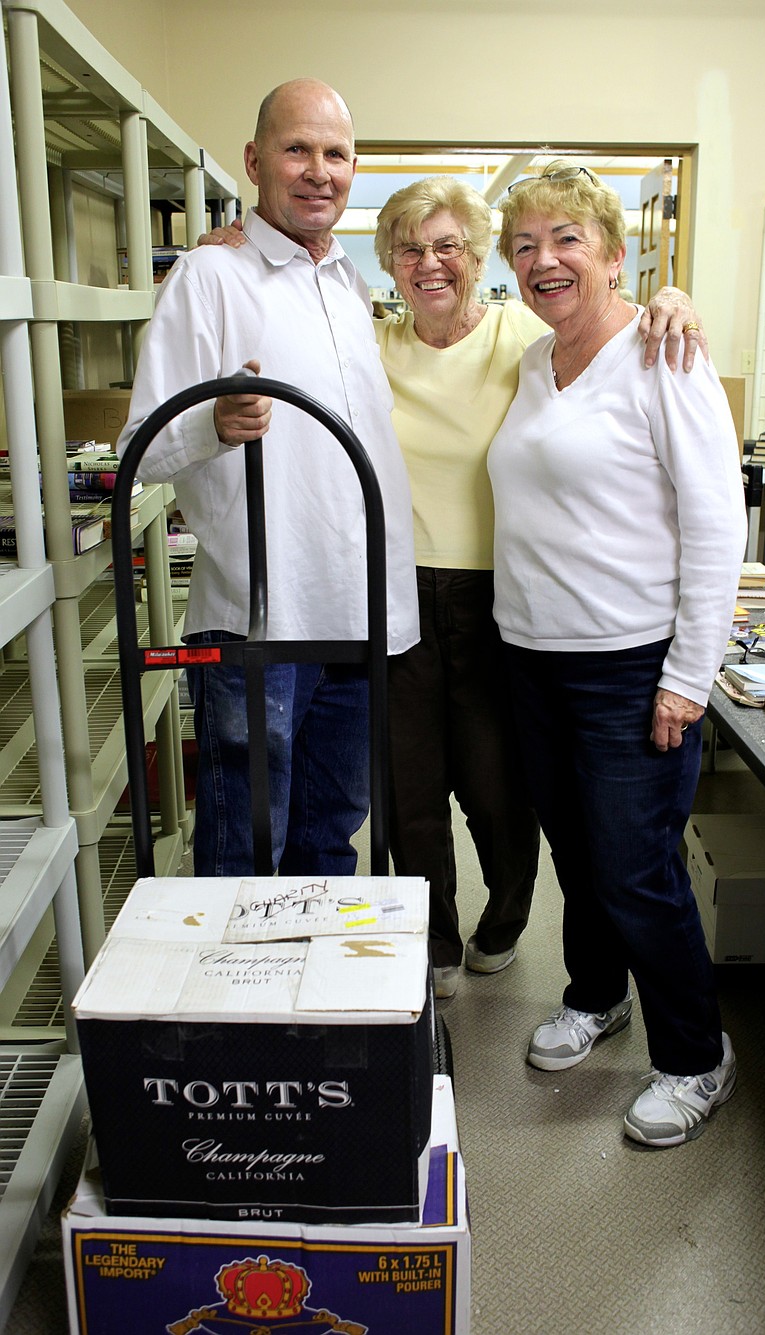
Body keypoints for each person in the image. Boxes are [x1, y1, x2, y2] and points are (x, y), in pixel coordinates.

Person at [200, 174, 708, 998]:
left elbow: (606, 323)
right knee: (406, 788)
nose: (430, 265)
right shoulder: (368, 341)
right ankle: (428, 935)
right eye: (409, 249)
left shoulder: (525, 339)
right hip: (395, 593)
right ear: (390, 265)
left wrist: (672, 298)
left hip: (499, 598)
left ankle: (503, 920)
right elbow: (283, 314)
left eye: (448, 248)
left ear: (477, 259)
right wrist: (233, 245)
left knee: (499, 786)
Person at [487, 162, 747, 1147]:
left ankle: (696, 1057)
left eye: (565, 240)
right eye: (523, 245)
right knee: (577, 851)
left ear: (613, 254)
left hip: (628, 662)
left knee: (637, 868)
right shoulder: (532, 361)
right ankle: (597, 996)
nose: (543, 260)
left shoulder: (661, 353)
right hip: (534, 656)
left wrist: (687, 674)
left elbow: (716, 525)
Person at [117, 79, 418, 878]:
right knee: (245, 852)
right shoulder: (209, 278)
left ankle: (309, 1005)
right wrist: (212, 423)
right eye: (297, 150)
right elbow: (137, 453)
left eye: (336, 154)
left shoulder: (350, 288)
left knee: (329, 839)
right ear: (255, 162)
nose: (319, 170)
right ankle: (239, 1006)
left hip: (355, 616)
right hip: (261, 622)